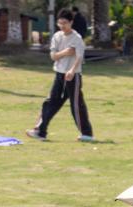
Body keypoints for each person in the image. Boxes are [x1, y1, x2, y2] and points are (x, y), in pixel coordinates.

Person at [28, 9, 96, 143]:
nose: (62, 26)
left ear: (71, 22)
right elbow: (53, 56)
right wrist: (65, 52)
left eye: (64, 23)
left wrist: (72, 70)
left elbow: (79, 57)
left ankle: (87, 134)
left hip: (73, 76)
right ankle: (40, 131)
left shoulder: (77, 38)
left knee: (76, 105)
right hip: (59, 74)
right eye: (59, 23)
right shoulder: (57, 36)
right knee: (50, 102)